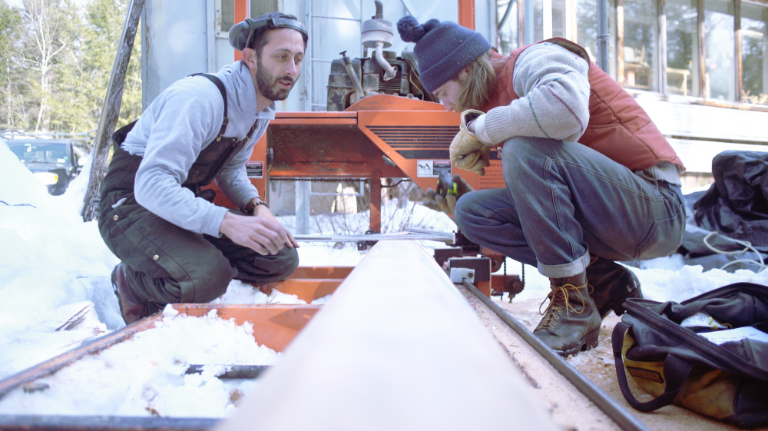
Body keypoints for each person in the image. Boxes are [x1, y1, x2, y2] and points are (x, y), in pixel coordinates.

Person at [397, 17, 686, 356]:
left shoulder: (535, 59)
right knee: (473, 212)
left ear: (463, 70)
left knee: (524, 148)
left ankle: (574, 308)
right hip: (614, 214)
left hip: (657, 207)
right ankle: (602, 282)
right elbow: (546, 200)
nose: (446, 106)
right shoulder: (501, 100)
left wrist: (482, 129)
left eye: (443, 93)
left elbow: (565, 112)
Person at [99, 13, 306, 325]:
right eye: (281, 56)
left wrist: (256, 207)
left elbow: (232, 169)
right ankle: (131, 280)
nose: (292, 70)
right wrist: (226, 222)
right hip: (130, 204)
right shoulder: (200, 99)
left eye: (298, 59)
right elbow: (151, 184)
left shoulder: (259, 112)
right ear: (250, 57)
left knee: (278, 257)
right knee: (206, 276)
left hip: (175, 202)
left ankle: (189, 262)